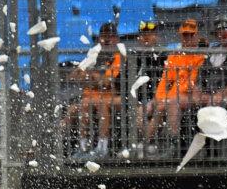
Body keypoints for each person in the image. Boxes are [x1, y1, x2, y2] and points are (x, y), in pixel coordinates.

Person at [142, 18, 207, 157]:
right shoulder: (174, 56)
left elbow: (190, 84)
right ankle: (144, 145)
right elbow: (164, 81)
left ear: (196, 36)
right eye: (185, 35)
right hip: (173, 96)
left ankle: (165, 145)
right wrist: (158, 99)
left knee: (167, 105)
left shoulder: (201, 56)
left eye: (191, 35)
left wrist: (166, 99)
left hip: (191, 97)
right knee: (144, 109)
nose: (187, 38)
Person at [65, 22, 122, 160]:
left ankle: (102, 148)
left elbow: (106, 82)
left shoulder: (119, 57)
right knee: (72, 110)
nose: (107, 39)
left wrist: (90, 77)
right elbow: (72, 76)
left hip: (109, 97)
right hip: (89, 98)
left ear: (116, 39)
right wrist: (92, 78)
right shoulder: (93, 55)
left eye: (110, 36)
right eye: (103, 36)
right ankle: (80, 148)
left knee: (98, 103)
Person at [128, 19, 165, 157]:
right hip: (137, 98)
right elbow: (124, 82)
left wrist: (154, 99)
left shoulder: (163, 56)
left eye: (150, 34)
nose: (146, 37)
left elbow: (166, 82)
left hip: (158, 97)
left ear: (157, 37)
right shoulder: (133, 57)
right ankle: (147, 146)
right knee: (138, 110)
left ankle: (144, 145)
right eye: (143, 34)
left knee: (157, 109)